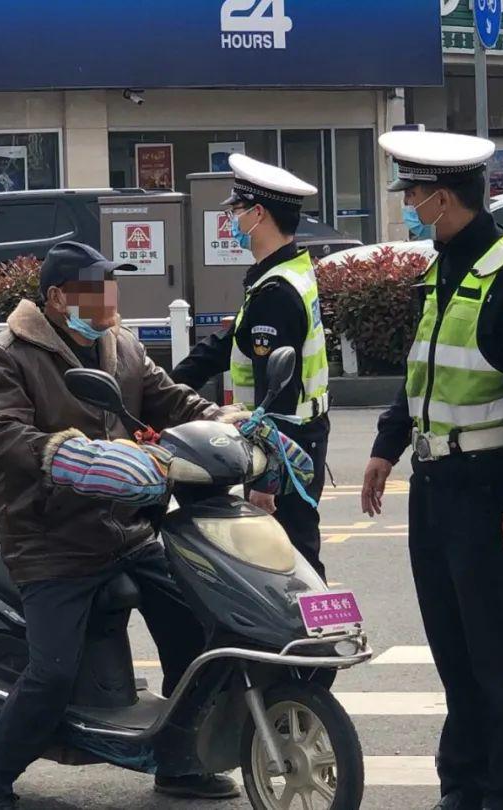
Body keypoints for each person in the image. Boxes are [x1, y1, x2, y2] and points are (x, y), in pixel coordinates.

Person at [0, 241, 240, 809]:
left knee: (198, 635)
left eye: (111, 289)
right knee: (52, 675)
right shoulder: (8, 354)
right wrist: (63, 455)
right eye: (96, 290)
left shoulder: (121, 344)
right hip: (51, 540)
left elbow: (170, 400)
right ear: (58, 298)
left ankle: (178, 762)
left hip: (130, 531)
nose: (108, 301)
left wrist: (221, 422)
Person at [361, 131, 503, 810]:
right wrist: (387, 448)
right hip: (434, 487)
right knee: (453, 652)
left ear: (443, 198)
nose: (409, 207)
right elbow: (420, 373)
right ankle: (464, 786)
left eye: (413, 195)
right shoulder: (440, 270)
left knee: (500, 661)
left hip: (487, 489)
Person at [171, 154, 332, 580]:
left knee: (289, 557)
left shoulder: (276, 292)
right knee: (288, 551)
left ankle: (317, 638)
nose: (232, 222)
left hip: (284, 444)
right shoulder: (286, 273)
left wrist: (266, 482)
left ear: (259, 215)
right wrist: (166, 389)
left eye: (237, 212)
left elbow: (274, 392)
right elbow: (229, 344)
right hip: (300, 434)